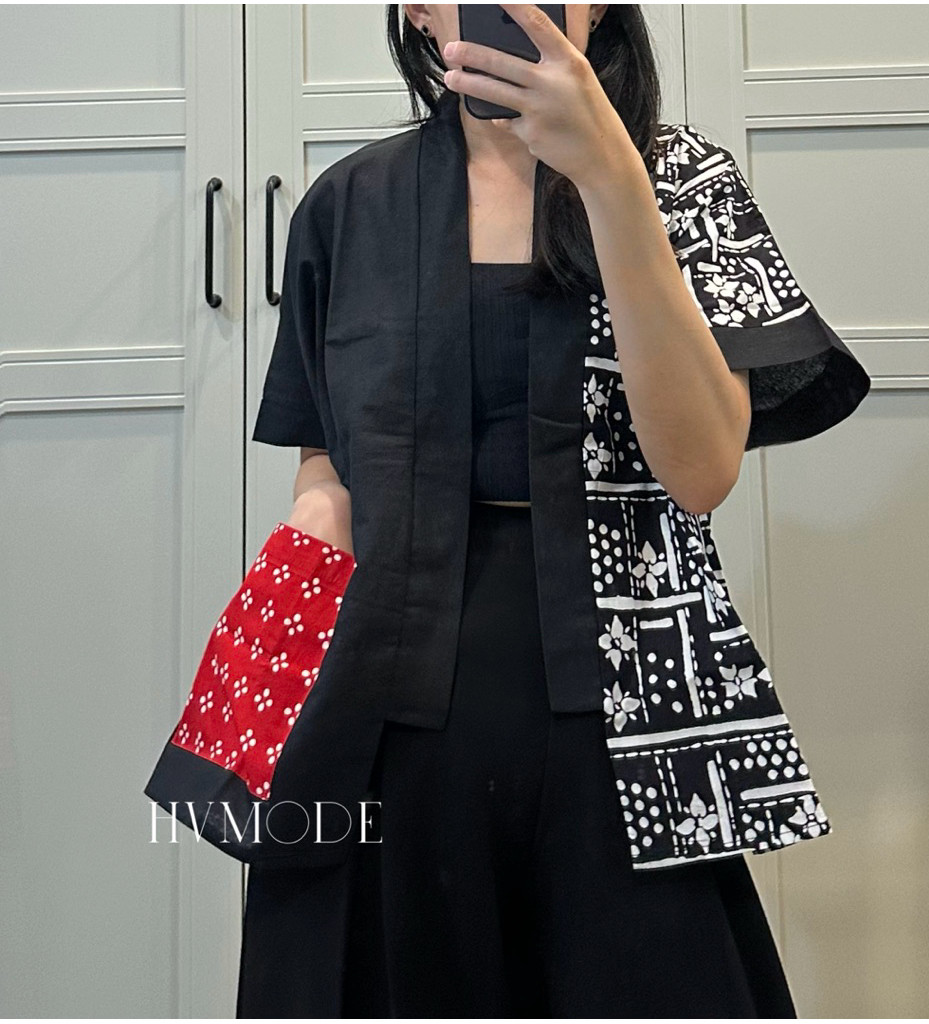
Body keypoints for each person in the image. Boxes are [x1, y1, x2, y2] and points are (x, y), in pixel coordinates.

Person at [232, 3, 871, 1017]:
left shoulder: (685, 183)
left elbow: (702, 471)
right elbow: (325, 458)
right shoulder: (349, 202)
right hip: (382, 696)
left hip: (629, 706)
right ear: (417, 8)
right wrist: (314, 520)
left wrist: (612, 179)